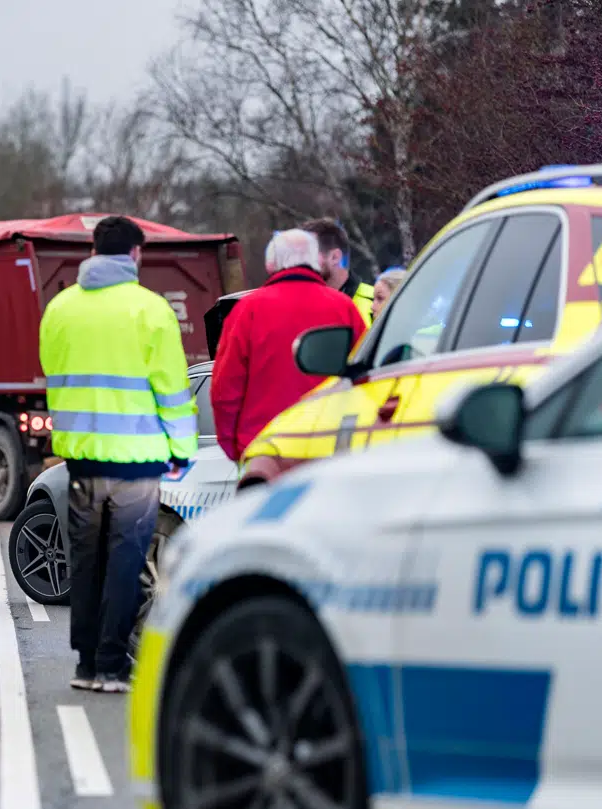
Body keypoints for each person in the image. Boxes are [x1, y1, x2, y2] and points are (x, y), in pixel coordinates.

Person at [39, 215, 198, 693]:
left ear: (92, 250)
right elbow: (171, 388)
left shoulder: (60, 308)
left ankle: (86, 664)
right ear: (135, 254)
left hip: (82, 458)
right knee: (126, 558)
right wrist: (182, 450)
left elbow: (53, 372)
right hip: (135, 458)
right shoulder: (150, 310)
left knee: (87, 558)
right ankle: (112, 663)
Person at [211, 229, 369, 462]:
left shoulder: (247, 311)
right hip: (329, 445)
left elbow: (225, 389)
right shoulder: (345, 308)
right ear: (316, 260)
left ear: (271, 265)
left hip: (265, 449)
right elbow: (366, 377)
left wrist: (234, 448)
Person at [301, 217, 375, 326]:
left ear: (335, 257)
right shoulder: (298, 308)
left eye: (307, 255)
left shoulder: (377, 304)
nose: (298, 263)